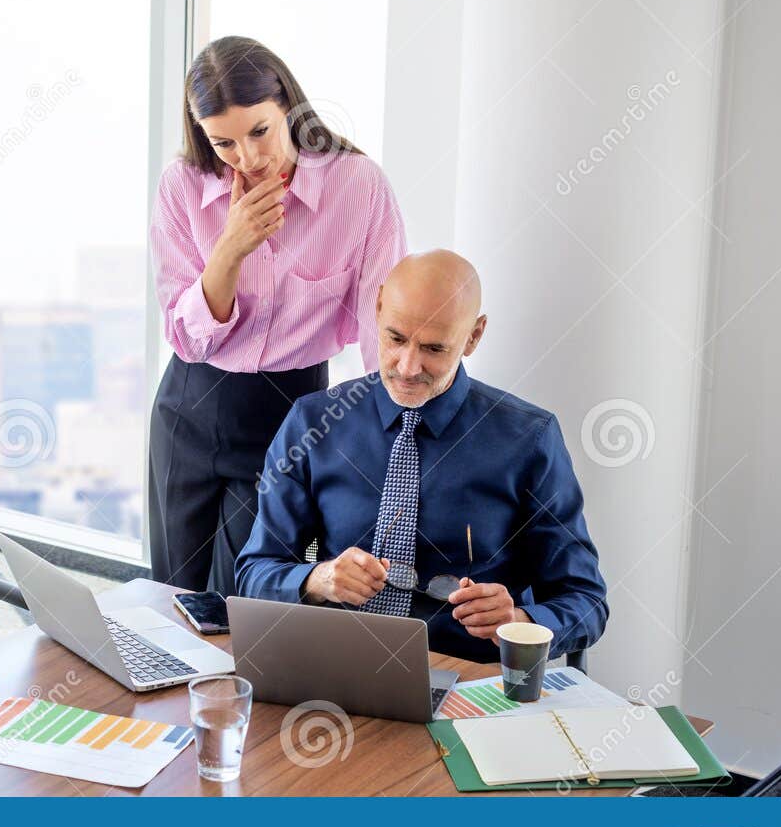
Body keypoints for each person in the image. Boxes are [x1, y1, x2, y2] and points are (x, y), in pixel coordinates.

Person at [234, 249, 609, 662]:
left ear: (473, 336)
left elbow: (586, 601)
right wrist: (317, 579)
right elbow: (254, 574)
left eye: (433, 348)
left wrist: (519, 619)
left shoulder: (529, 439)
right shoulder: (313, 423)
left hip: (465, 684)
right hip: (336, 668)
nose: (408, 367)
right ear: (377, 309)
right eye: (395, 339)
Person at [147, 36, 407, 595]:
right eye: (223, 143)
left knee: (242, 601)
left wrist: (389, 440)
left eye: (259, 131)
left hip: (286, 413)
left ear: (287, 103)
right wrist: (231, 247)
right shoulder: (182, 186)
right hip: (189, 405)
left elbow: (378, 324)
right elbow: (183, 335)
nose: (247, 157)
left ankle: (235, 688)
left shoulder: (357, 186)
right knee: (170, 598)